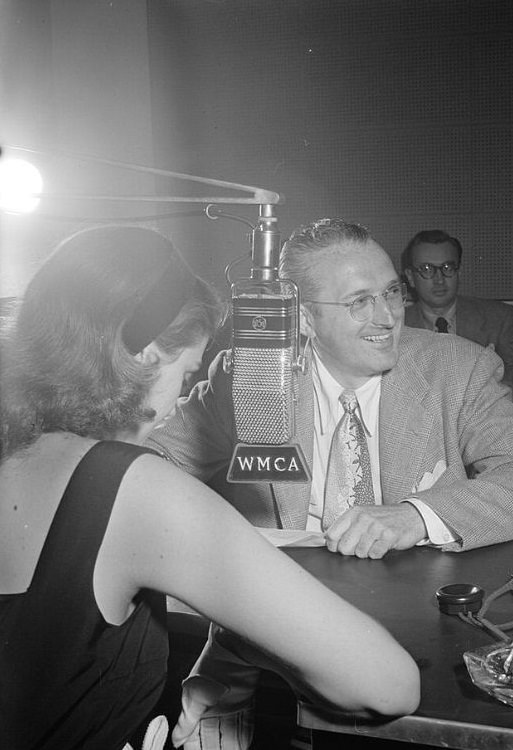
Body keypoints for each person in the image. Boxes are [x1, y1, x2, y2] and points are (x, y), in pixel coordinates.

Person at [146, 217, 513, 747]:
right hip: (264, 635)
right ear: (301, 318)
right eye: (359, 301)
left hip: (417, 641)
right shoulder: (250, 374)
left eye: (391, 292)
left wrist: (416, 515)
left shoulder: (457, 370)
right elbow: (150, 461)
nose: (388, 316)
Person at [0, 225, 420, 750]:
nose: (179, 400)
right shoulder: (133, 486)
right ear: (148, 354)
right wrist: (260, 640)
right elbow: (389, 686)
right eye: (187, 371)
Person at [401, 229, 513, 424]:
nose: (439, 279)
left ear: (459, 271)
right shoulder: (396, 326)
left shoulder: (498, 317)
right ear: (410, 277)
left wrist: (492, 399)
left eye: (447, 267)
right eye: (427, 269)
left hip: (485, 429)